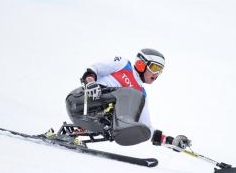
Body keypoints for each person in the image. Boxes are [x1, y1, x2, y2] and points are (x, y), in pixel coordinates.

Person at [57, 48, 190, 150]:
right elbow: (94, 69)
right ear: (141, 64)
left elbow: (146, 127)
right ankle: (122, 125)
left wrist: (171, 142)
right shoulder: (123, 64)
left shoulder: (141, 94)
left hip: (96, 118)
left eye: (160, 70)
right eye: (155, 68)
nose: (157, 74)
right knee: (131, 93)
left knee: (136, 98)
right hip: (82, 101)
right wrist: (90, 82)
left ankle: (119, 127)